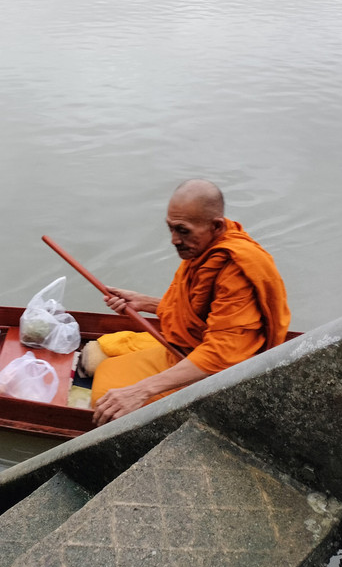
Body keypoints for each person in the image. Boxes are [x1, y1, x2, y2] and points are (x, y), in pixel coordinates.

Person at [87, 179, 291, 427]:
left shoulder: (236, 269)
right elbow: (197, 311)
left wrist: (140, 391)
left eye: (183, 230)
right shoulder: (203, 246)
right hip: (185, 351)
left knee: (102, 399)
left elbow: (221, 353)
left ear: (216, 226)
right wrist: (146, 303)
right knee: (108, 368)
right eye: (171, 228)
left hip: (214, 377)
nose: (174, 239)